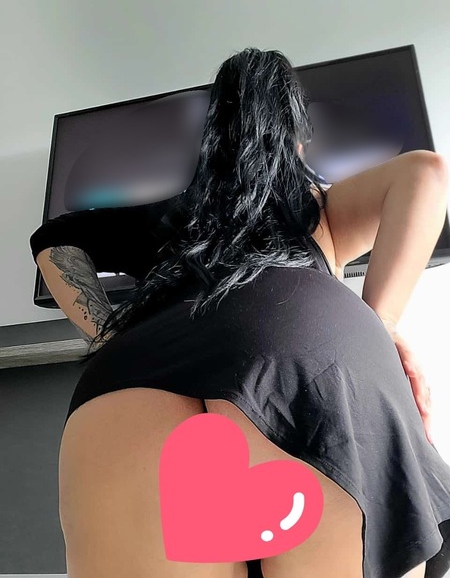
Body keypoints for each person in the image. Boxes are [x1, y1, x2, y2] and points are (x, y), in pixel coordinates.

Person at [29, 47, 450, 578]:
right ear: (298, 139)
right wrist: (381, 322)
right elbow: (426, 173)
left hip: (128, 378)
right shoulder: (317, 207)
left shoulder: (169, 217)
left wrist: (107, 336)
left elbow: (54, 239)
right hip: (298, 350)